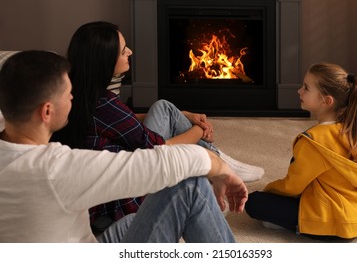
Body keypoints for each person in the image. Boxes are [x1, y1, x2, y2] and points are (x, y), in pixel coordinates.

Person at [0, 50, 248, 243]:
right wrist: (220, 167)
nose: (73, 98)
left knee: (136, 219)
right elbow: (166, 161)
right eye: (68, 94)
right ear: (46, 111)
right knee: (189, 185)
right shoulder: (55, 169)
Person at [51, 21, 263, 231]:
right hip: (128, 197)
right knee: (201, 192)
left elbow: (123, 119)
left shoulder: (77, 91)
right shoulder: (103, 104)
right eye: (124, 51)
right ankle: (218, 162)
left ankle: (219, 161)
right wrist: (199, 129)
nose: (130, 52)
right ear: (105, 60)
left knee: (164, 107)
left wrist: (185, 115)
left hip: (116, 171)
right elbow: (161, 148)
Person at [245, 62, 357, 240]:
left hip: (330, 222)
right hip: (356, 217)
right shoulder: (352, 131)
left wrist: (269, 189)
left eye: (306, 88)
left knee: (253, 202)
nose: (299, 91)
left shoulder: (314, 141)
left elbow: (292, 186)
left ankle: (295, 224)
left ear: (326, 101)